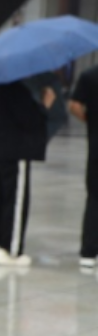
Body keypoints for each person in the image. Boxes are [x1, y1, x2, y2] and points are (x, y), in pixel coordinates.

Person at [0, 74, 56, 267]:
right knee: (16, 199)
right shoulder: (17, 90)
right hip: (14, 152)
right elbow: (30, 120)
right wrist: (45, 105)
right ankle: (9, 250)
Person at [73, 63, 98, 269]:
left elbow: (74, 105)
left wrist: (89, 121)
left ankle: (89, 252)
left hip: (96, 147)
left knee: (94, 198)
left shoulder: (89, 76)